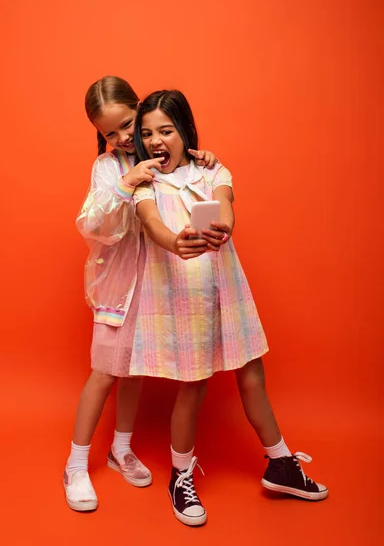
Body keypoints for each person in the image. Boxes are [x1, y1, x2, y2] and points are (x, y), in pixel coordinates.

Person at [131, 89, 328, 526]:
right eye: (147, 133)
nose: (156, 139)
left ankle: (280, 464)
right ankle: (180, 475)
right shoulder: (143, 181)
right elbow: (152, 223)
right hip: (181, 297)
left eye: (166, 129)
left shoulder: (211, 168)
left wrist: (223, 226)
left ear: (185, 131)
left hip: (227, 289)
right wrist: (175, 243)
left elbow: (225, 201)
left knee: (253, 376)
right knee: (193, 386)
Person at [64, 77, 217, 512]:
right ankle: (75, 464)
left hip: (158, 282)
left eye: (128, 124)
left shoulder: (158, 148)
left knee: (135, 369)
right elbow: (92, 225)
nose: (123, 138)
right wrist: (125, 182)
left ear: (140, 109)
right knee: (105, 370)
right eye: (110, 132)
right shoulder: (109, 166)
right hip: (119, 283)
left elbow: (190, 176)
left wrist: (201, 156)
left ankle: (121, 447)